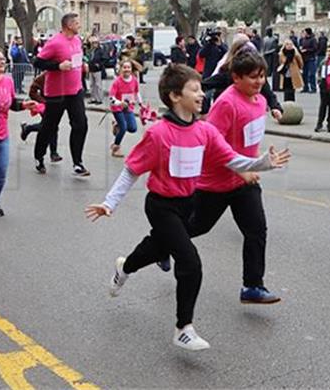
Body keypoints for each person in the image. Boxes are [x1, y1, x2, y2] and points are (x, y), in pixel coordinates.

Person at [85, 64, 290, 351]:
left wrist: (264, 164)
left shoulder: (204, 131)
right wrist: (109, 203)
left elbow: (233, 160)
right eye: (194, 89)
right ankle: (184, 328)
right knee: (190, 262)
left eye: (201, 88)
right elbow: (131, 170)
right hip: (161, 206)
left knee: (158, 247)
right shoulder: (158, 134)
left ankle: (125, 267)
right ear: (174, 96)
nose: (202, 94)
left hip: (188, 204)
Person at [189, 51, 285, 304]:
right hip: (216, 182)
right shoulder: (226, 103)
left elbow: (247, 140)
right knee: (197, 227)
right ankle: (164, 243)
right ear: (235, 78)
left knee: (256, 230)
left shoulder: (260, 99)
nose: (259, 82)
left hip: (245, 182)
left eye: (262, 76)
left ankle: (252, 286)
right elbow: (210, 144)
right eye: (253, 77)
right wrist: (242, 169)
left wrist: (256, 163)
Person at [32, 13, 90, 176]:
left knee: (81, 125)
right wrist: (58, 66)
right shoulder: (55, 42)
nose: (80, 25)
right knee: (49, 127)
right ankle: (39, 156)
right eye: (77, 23)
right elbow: (37, 62)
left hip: (75, 91)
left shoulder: (78, 40)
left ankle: (77, 163)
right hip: (56, 94)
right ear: (69, 25)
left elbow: (76, 58)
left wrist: (83, 65)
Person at [0, 47, 36, 217]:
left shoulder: (8, 81)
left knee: (1, 172)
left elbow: (11, 103)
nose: (2, 62)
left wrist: (24, 105)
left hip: (2, 135)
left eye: (3, 59)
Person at [19, 72, 62, 165]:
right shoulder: (44, 76)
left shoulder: (62, 76)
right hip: (46, 106)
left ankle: (28, 128)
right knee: (52, 127)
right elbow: (32, 91)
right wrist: (43, 101)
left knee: (50, 126)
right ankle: (53, 153)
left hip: (56, 105)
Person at [109, 60, 142, 157]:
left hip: (128, 107)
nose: (127, 69)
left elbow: (137, 92)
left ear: (131, 69)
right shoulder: (117, 82)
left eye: (128, 67)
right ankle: (116, 147)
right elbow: (111, 98)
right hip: (117, 108)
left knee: (132, 128)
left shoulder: (134, 80)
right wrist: (120, 103)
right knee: (123, 128)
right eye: (125, 67)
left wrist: (140, 103)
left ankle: (117, 125)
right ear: (121, 69)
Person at [87, 36, 106, 105]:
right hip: (91, 69)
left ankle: (99, 99)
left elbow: (105, 59)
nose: (94, 44)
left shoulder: (100, 50)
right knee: (92, 85)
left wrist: (99, 65)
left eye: (95, 43)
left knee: (98, 85)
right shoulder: (91, 50)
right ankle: (93, 98)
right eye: (93, 43)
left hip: (98, 70)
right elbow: (89, 58)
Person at [299, 28, 318, 93]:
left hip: (311, 58)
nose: (303, 34)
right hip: (304, 59)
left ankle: (313, 88)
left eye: (304, 32)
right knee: (304, 74)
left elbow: (315, 48)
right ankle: (305, 87)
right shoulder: (303, 40)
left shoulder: (313, 39)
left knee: (311, 74)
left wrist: (307, 50)